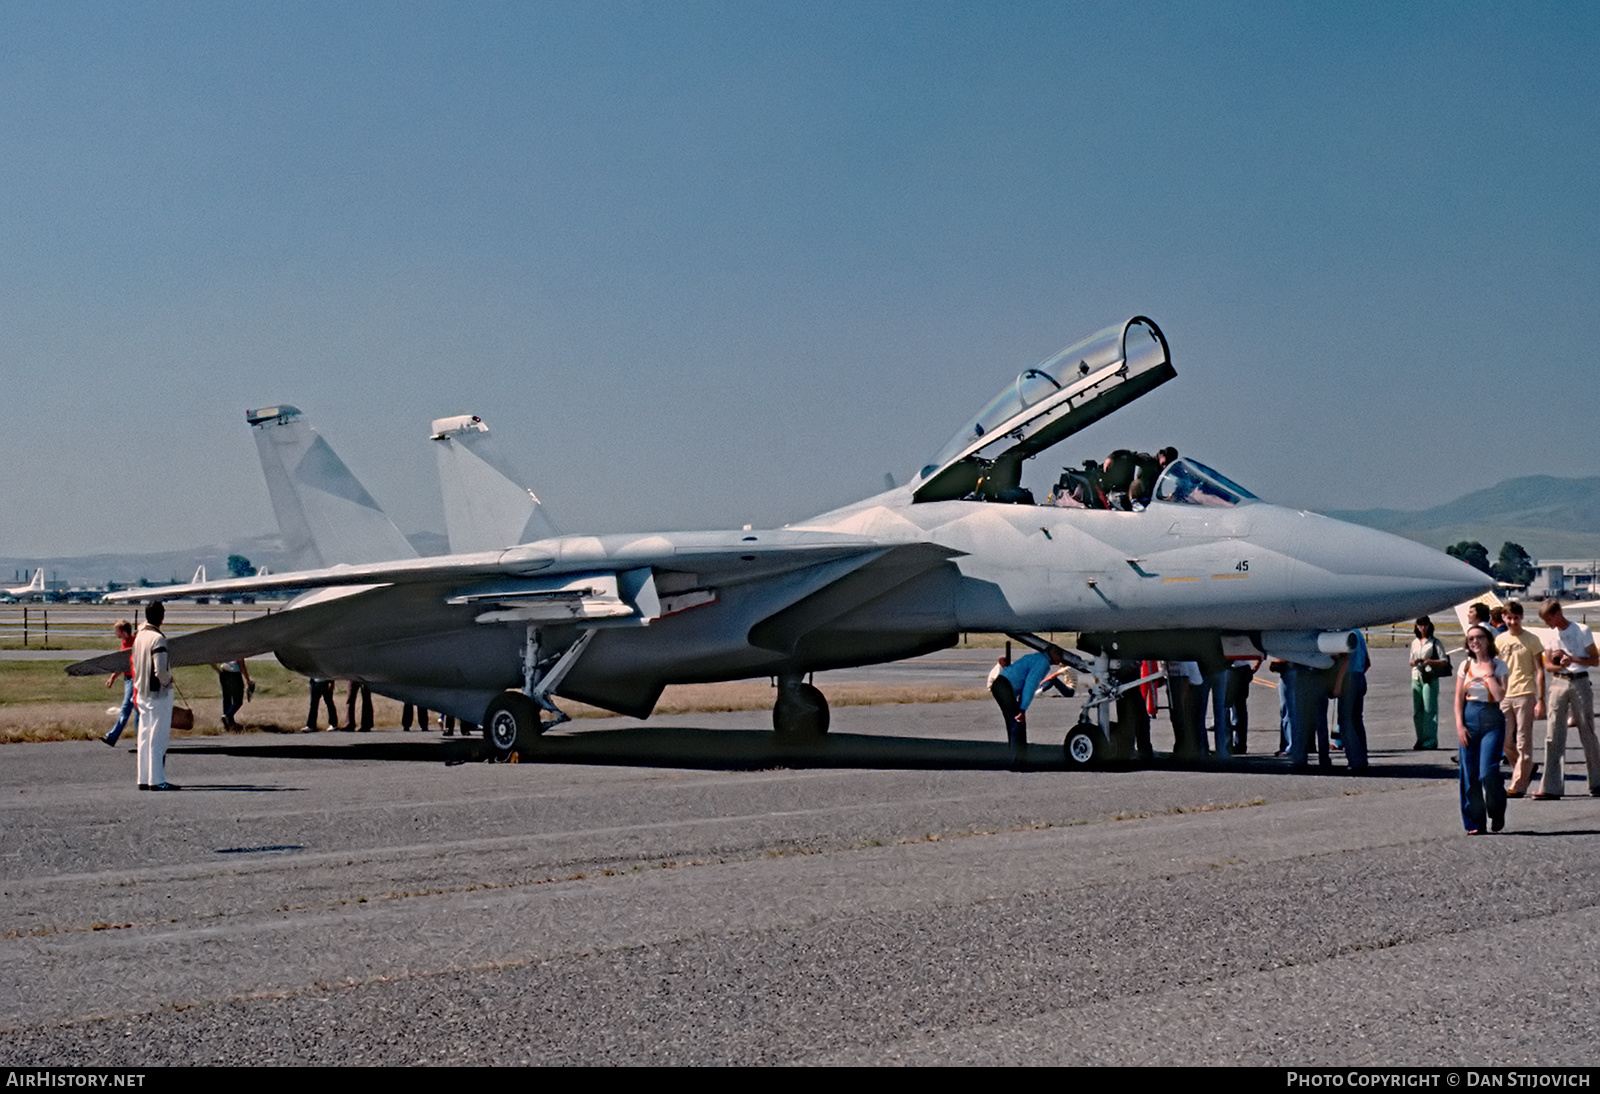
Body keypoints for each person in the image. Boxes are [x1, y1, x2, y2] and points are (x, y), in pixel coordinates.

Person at [1534, 600, 1600, 800]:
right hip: (1558, 682)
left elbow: (1595, 660)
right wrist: (1559, 664)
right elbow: (1547, 665)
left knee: (1587, 730)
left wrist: (1573, 659)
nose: (1548, 624)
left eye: (1549, 619)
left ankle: (1597, 782)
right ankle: (1551, 786)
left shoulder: (1581, 630)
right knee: (1553, 733)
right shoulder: (1551, 635)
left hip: (1579, 681)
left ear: (1557, 613)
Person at [1455, 624, 1508, 833]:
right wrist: (1459, 725)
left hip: (1492, 719)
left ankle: (1496, 810)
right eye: (1471, 639)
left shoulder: (1499, 666)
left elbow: (1500, 696)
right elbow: (1459, 698)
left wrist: (1488, 674)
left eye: (1479, 637)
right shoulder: (1465, 666)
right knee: (1469, 774)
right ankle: (1475, 822)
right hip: (1469, 717)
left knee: (1487, 772)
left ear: (1488, 640)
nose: (1475, 642)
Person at [1496, 601, 1545, 797]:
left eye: (1516, 618)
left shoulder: (1532, 640)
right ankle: (1525, 768)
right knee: (1505, 741)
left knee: (1523, 740)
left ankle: (1518, 785)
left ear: (1521, 618)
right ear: (1504, 618)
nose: (1513, 622)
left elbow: (1540, 671)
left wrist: (1540, 698)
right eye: (1509, 618)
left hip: (1525, 693)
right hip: (1504, 694)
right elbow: (1495, 668)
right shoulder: (1499, 640)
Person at [990, 646, 1067, 769]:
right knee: (1017, 722)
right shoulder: (1043, 663)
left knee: (1014, 723)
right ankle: (1017, 762)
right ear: (1051, 653)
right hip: (1004, 686)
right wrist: (1022, 708)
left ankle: (1017, 759)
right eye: (1059, 654)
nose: (1061, 658)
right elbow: (1030, 685)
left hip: (1001, 685)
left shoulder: (1038, 658)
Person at [132, 600, 177, 790]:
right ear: (162, 617)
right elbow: (160, 670)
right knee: (158, 738)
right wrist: (169, 682)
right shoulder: (158, 639)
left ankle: (143, 778)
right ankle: (157, 779)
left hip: (141, 691)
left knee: (144, 736)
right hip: (157, 693)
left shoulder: (139, 636)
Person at [1330, 630, 1369, 772]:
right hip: (1359, 676)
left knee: (1346, 721)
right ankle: (1362, 756)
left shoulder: (1344, 633)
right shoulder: (1358, 634)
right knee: (1357, 719)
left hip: (1349, 678)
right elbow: (1367, 662)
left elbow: (1345, 659)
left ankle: (1355, 759)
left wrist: (1338, 684)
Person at [1408, 617, 1449, 750]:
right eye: (1420, 625)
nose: (1423, 628)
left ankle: (1430, 740)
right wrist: (1415, 662)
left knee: (1429, 709)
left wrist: (1430, 661)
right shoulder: (1415, 642)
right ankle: (1420, 738)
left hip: (1429, 676)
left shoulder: (1435, 642)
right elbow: (1410, 660)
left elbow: (1444, 660)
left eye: (1425, 625)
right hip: (1416, 676)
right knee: (1418, 710)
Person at [100, 620, 137, 747]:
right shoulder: (124, 643)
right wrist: (113, 678)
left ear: (124, 632)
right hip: (127, 678)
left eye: (117, 630)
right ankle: (142, 740)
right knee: (138, 710)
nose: (115, 633)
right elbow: (122, 664)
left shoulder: (134, 642)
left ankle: (112, 736)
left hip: (134, 679)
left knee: (126, 708)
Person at [214, 658, 253, 730]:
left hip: (224, 672)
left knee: (227, 697)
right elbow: (241, 664)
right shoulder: (238, 648)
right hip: (234, 674)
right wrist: (248, 680)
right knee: (238, 700)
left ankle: (228, 723)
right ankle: (228, 716)